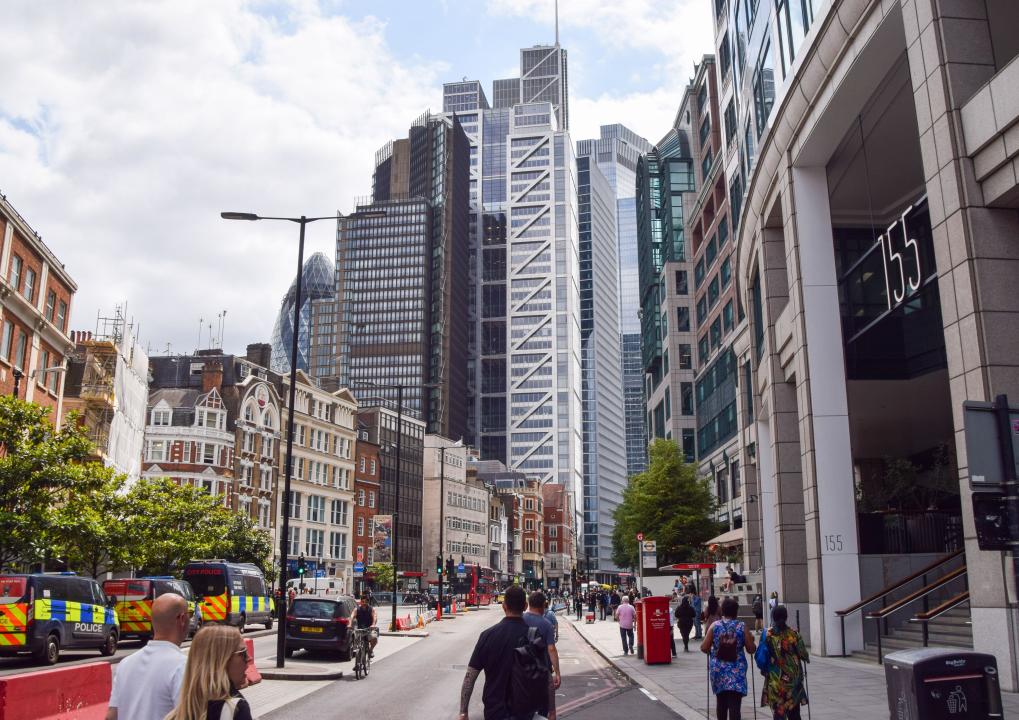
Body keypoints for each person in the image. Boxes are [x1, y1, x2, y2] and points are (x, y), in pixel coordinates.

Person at [458, 585, 555, 720]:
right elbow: (548, 679)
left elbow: (470, 676)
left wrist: (463, 712)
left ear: (504, 606)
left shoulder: (487, 636)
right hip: (525, 714)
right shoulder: (534, 636)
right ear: (525, 606)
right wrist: (552, 711)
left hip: (494, 713)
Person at [106, 593, 189, 720]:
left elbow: (111, 716)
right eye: (191, 614)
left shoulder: (126, 664)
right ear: (182, 619)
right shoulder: (182, 665)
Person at [165, 625, 252, 720]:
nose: (249, 658)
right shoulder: (236, 710)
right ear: (221, 661)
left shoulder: (173, 716)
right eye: (243, 653)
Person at [701, 598, 756, 720]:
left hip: (718, 669)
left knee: (721, 702)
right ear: (736, 612)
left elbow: (704, 647)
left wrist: (715, 651)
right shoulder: (742, 626)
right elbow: (751, 649)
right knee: (735, 704)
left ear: (723, 610)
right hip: (737, 670)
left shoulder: (715, 626)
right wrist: (751, 640)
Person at [759, 606, 809, 720]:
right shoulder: (794, 634)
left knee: (779, 713)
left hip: (776, 680)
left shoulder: (767, 634)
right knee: (794, 713)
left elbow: (761, 656)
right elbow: (804, 655)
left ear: (773, 617)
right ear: (786, 617)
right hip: (793, 681)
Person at [525, 592, 561, 693]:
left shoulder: (521, 620)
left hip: (523, 671)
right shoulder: (547, 625)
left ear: (529, 604)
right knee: (548, 705)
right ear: (542, 605)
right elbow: (551, 649)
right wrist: (557, 673)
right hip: (543, 671)